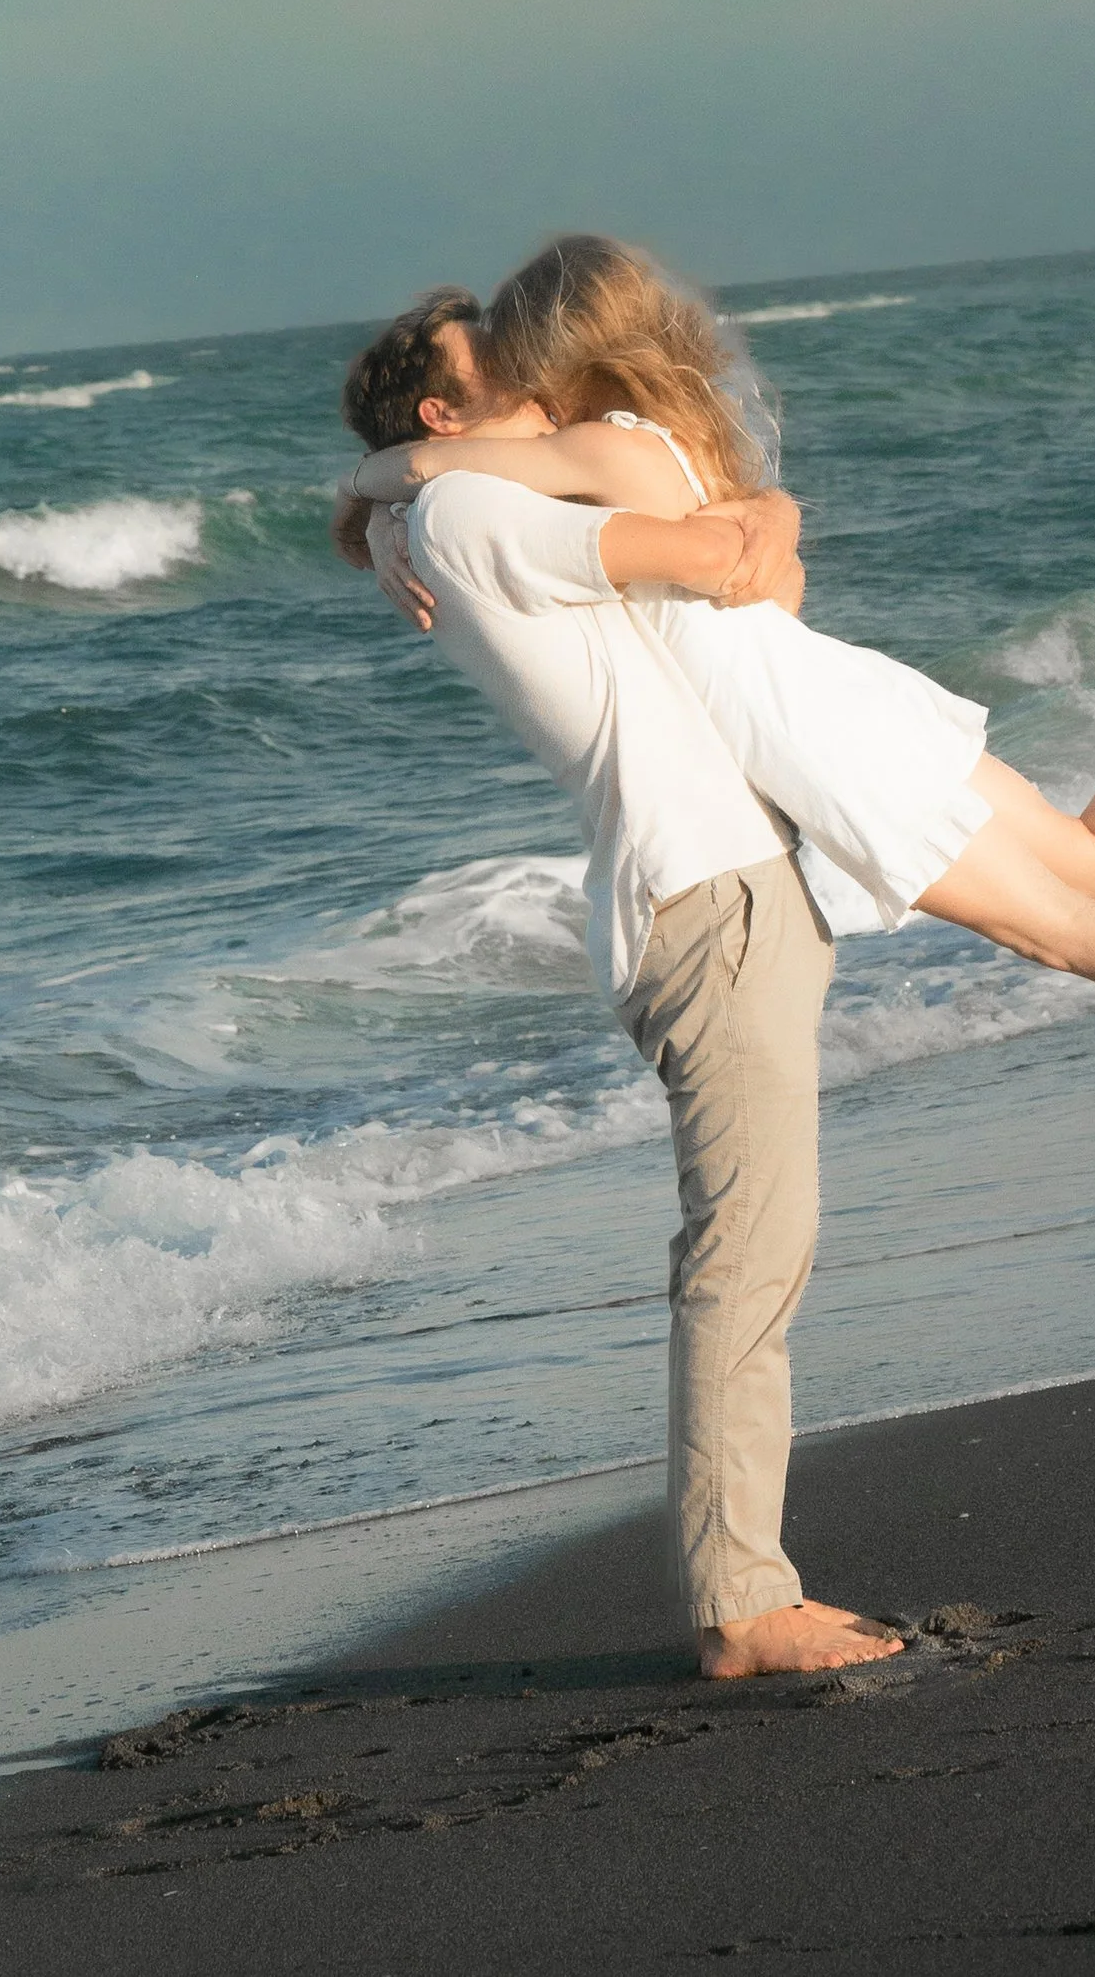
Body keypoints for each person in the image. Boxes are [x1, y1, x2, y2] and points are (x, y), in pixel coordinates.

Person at [345, 236, 1095, 1166]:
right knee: (1090, 858)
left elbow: (436, 464)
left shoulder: (580, 455)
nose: (518, 374)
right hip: (829, 688)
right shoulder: (667, 434)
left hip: (806, 731)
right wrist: (383, 521)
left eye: (521, 353)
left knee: (1057, 930)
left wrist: (366, 500)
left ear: (562, 351)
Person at [335, 288, 898, 1684]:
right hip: (705, 895)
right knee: (746, 1251)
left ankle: (744, 1585)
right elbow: (721, 549)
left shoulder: (450, 504)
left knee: (757, 1243)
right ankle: (741, 1602)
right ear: (440, 414)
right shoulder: (469, 510)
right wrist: (763, 513)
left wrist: (362, 496)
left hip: (708, 886)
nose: (540, 387)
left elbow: (736, 541)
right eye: (500, 376)